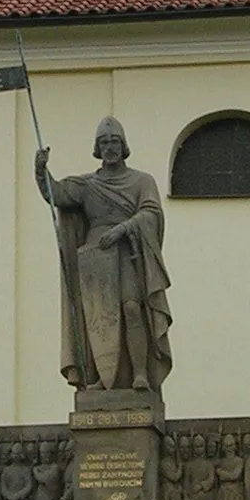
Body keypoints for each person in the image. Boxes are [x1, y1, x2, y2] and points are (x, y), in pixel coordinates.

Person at [35, 118, 172, 394]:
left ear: (124, 146)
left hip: (127, 252)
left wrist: (123, 229)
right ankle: (103, 377)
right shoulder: (87, 184)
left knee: (132, 308)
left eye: (114, 141)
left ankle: (140, 374)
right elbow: (57, 195)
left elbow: (151, 213)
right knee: (99, 320)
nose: (110, 147)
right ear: (97, 148)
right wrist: (40, 171)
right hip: (95, 258)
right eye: (104, 142)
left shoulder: (141, 181)